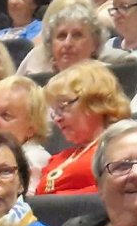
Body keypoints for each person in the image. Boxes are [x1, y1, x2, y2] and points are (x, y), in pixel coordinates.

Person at [35, 61, 130, 194]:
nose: (57, 119)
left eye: (63, 107)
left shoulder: (121, 149)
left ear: (94, 100)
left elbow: (113, 191)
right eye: (54, 111)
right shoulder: (59, 158)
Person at [17, 0, 123, 76]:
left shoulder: (110, 77)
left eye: (77, 35)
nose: (67, 43)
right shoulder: (35, 67)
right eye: (61, 36)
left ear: (95, 43)